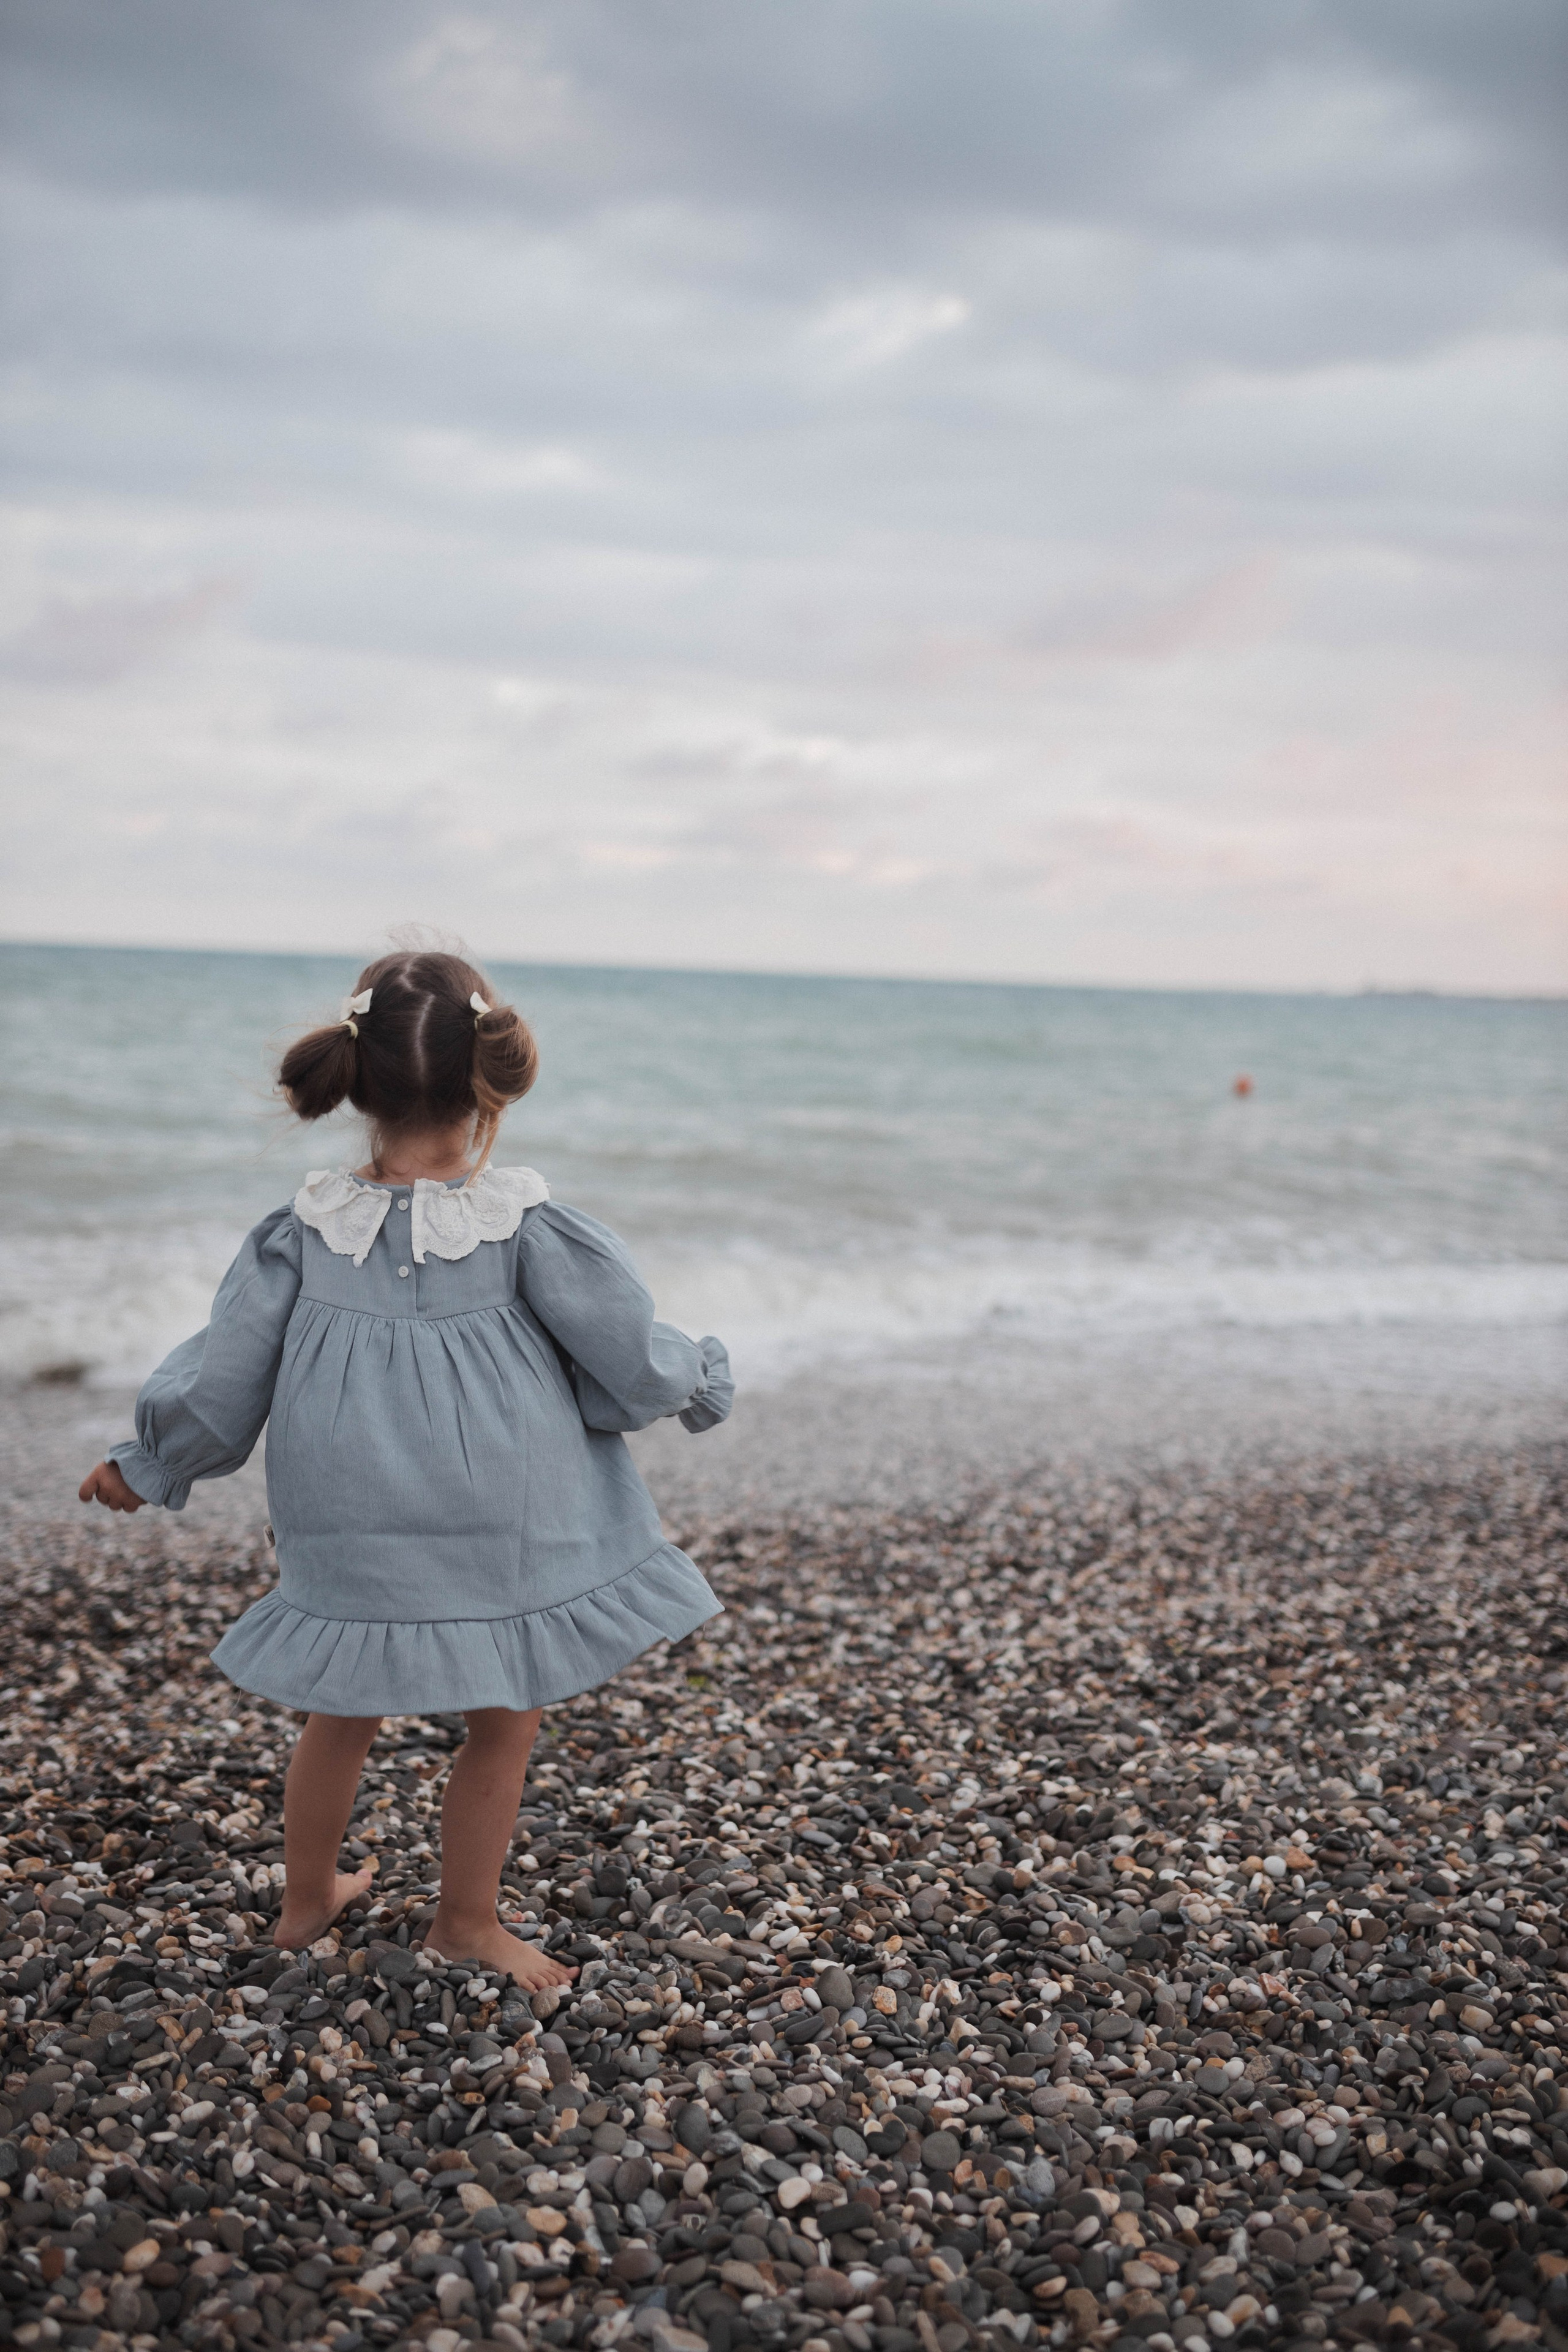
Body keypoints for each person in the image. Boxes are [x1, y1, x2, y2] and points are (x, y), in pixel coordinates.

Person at [78, 948, 732, 1988]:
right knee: (503, 1719)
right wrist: (692, 1380)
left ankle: (306, 1902)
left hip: (349, 1512)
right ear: (489, 1082)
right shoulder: (522, 1224)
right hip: (510, 1511)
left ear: (357, 1081)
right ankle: (466, 1921)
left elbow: (226, 1374)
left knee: (341, 1708)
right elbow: (625, 1347)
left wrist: (151, 1462)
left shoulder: (302, 1233)